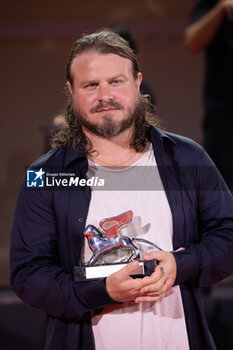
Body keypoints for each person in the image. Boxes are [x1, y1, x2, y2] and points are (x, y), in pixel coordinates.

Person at [10, 30, 233, 350]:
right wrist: (102, 294)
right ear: (72, 91)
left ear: (137, 82)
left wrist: (180, 265)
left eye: (116, 81)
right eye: (91, 85)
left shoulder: (187, 159)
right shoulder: (44, 175)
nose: (105, 95)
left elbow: (228, 236)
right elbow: (28, 274)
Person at [184, 0, 233, 192]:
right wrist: (221, 8)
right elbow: (192, 41)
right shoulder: (213, 4)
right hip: (224, 109)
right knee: (218, 184)